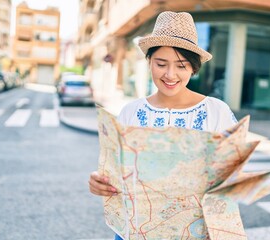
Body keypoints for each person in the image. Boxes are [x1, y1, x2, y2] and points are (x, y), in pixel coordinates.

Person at [89, 11, 238, 239]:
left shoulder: (216, 112)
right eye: (161, 63)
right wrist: (100, 182)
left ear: (194, 68)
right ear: (149, 62)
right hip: (135, 231)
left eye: (181, 65)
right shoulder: (131, 112)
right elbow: (116, 171)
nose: (170, 74)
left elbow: (233, 175)